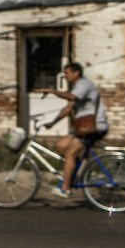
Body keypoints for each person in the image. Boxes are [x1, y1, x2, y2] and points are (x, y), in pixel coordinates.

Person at [44, 61, 108, 198]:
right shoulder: (78, 87)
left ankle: (66, 189)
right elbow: (68, 108)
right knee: (60, 146)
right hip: (82, 127)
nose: (65, 76)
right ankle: (73, 172)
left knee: (70, 153)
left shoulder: (83, 84)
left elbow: (71, 97)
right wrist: (52, 122)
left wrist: (52, 91)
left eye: (66, 73)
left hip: (93, 127)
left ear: (76, 73)